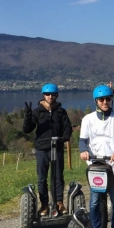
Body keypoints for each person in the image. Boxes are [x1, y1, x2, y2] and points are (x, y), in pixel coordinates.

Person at [79, 84, 114, 228]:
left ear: (111, 99)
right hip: (95, 167)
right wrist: (84, 150)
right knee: (93, 202)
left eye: (107, 99)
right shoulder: (88, 119)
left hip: (113, 166)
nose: (105, 102)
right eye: (101, 99)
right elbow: (82, 140)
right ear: (96, 101)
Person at [23, 83, 72, 216]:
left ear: (56, 95)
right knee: (42, 178)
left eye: (53, 94)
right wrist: (27, 117)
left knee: (58, 177)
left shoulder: (61, 111)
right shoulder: (37, 112)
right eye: (47, 94)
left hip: (57, 147)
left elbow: (67, 126)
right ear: (43, 95)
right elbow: (27, 129)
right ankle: (44, 204)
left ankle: (59, 203)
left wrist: (66, 137)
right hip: (42, 148)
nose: (50, 96)